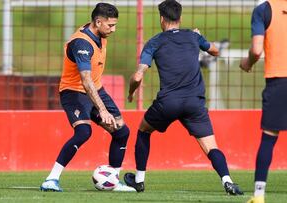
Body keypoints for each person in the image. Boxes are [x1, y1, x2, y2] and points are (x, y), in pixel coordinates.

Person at [123, 0, 244, 195]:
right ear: (180, 18)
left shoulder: (154, 42)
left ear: (162, 19)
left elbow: (138, 76)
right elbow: (215, 50)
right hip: (194, 103)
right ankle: (227, 181)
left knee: (144, 130)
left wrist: (130, 92)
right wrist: (198, 36)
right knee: (211, 146)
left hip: (168, 103)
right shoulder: (193, 37)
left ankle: (139, 180)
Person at [40, 3, 135, 192]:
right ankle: (51, 179)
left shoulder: (99, 32)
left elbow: (92, 82)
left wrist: (102, 105)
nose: (113, 29)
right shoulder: (81, 43)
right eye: (110, 25)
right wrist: (102, 109)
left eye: (115, 25)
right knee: (84, 132)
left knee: (122, 132)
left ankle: (113, 181)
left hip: (96, 89)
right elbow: (85, 79)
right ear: (98, 22)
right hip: (74, 91)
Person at [240, 1, 287, 203]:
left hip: (279, 80)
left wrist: (247, 63)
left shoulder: (263, 10)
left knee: (269, 138)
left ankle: (259, 195)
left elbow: (257, 50)